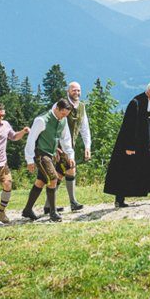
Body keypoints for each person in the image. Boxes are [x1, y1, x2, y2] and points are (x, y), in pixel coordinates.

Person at [104, 80, 150, 208]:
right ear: (149, 92)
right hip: (132, 143)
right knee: (125, 169)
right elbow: (127, 127)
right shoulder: (135, 103)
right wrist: (129, 147)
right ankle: (119, 200)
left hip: (148, 142)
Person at [21, 99, 75, 222]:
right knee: (53, 178)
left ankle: (27, 210)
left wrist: (70, 156)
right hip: (40, 154)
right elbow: (31, 140)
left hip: (52, 153)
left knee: (42, 180)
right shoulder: (41, 120)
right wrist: (29, 159)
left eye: (66, 115)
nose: (63, 117)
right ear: (57, 109)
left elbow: (65, 139)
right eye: (62, 114)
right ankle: (52, 212)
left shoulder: (63, 120)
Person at [42, 81, 92, 214]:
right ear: (68, 91)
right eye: (74, 90)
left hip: (70, 145)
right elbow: (50, 124)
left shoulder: (81, 106)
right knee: (68, 170)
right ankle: (71, 203)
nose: (76, 93)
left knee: (61, 173)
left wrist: (87, 146)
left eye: (78, 90)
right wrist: (54, 147)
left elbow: (84, 127)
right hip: (58, 145)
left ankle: (49, 205)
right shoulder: (60, 105)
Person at [0, 102, 30, 225]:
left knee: (8, 184)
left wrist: (23, 132)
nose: (1, 118)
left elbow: (13, 137)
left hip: (2, 163)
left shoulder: (6, 125)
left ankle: (1, 212)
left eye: (3, 115)